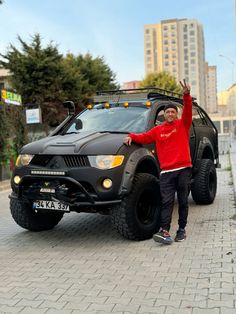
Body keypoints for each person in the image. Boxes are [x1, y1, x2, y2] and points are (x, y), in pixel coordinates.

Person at [123, 80, 192, 244]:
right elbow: (143, 137)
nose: (170, 114)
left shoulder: (183, 125)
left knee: (183, 201)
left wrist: (186, 95)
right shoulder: (157, 130)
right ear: (163, 114)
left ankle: (181, 230)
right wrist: (131, 137)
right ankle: (165, 231)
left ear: (176, 114)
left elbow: (188, 110)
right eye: (167, 112)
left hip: (183, 169)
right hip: (166, 172)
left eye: (173, 112)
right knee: (167, 202)